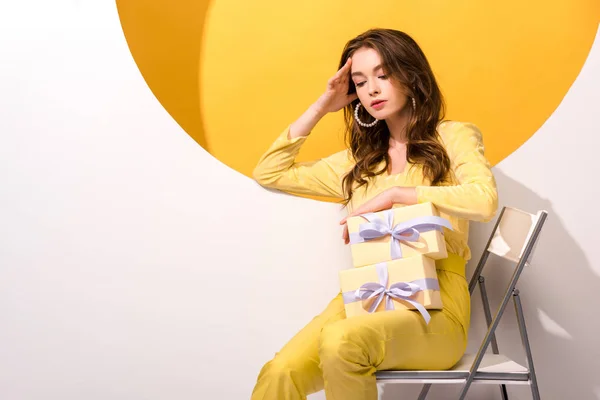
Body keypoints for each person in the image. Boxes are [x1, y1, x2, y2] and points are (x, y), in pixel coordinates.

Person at [250, 28, 498, 400]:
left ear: (411, 76)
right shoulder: (359, 163)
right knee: (279, 371)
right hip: (363, 298)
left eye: (383, 75)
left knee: (341, 341)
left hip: (436, 312)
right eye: (360, 82)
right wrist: (323, 105)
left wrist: (400, 194)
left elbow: (484, 200)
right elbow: (269, 172)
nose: (372, 90)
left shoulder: (452, 136)